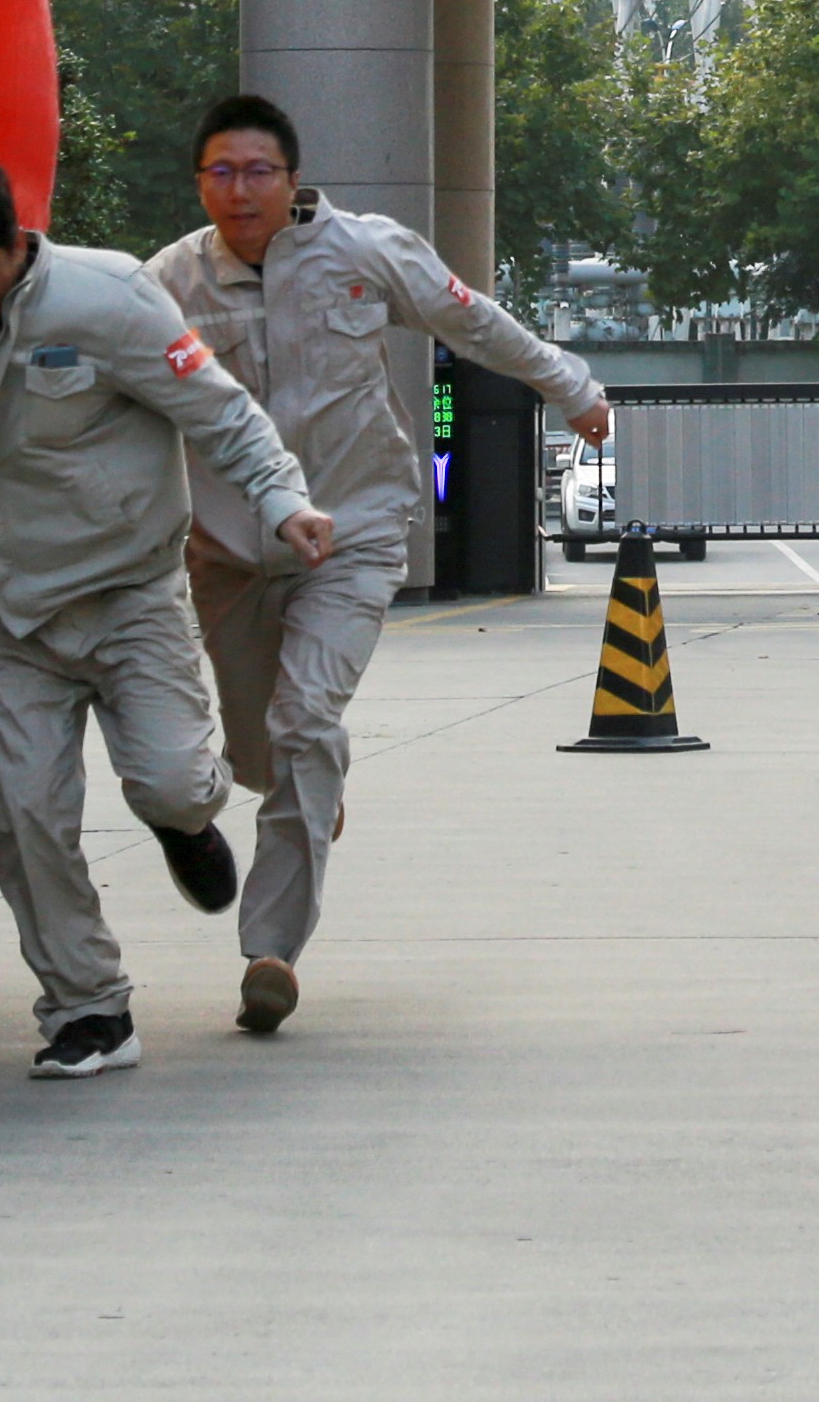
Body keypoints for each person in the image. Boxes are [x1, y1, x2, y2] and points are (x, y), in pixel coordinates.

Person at [143, 96, 611, 1038]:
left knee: (305, 715)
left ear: (292, 176)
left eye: (257, 171)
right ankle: (307, 788)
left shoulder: (365, 250)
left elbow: (472, 320)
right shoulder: (167, 283)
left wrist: (571, 387)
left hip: (354, 527)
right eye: (220, 173)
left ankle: (268, 952)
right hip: (230, 548)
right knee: (255, 753)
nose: (240, 191)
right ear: (199, 182)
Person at [0, 155, 324, 1076]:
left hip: (127, 592)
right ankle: (89, 1008)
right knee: (30, 814)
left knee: (168, 780)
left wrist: (283, 499)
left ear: (16, 243)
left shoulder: (109, 298)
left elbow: (221, 412)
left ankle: (186, 820)